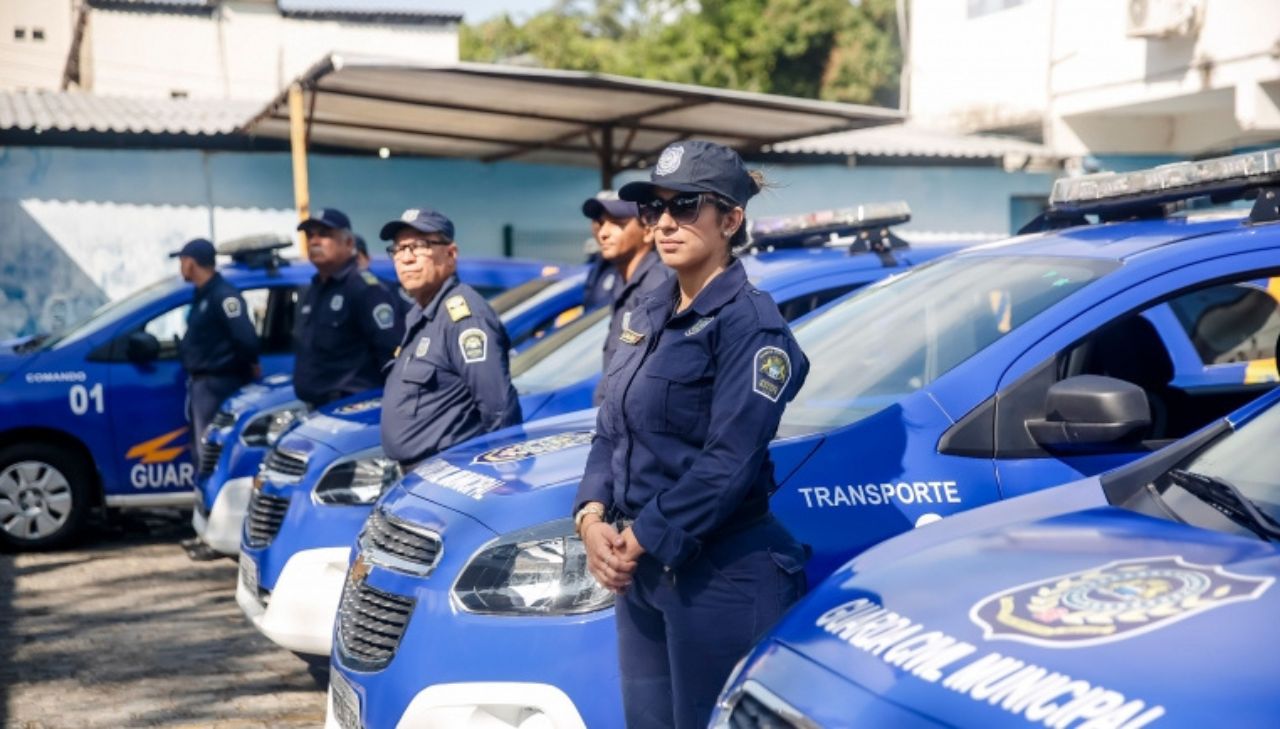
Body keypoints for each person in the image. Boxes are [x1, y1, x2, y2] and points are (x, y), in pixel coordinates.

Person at [572, 141, 810, 729]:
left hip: (720, 575)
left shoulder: (752, 327)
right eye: (654, 209)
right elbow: (610, 429)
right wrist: (591, 517)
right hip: (643, 571)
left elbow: (728, 462)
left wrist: (641, 536)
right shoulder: (646, 311)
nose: (665, 223)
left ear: (731, 220)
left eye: (687, 206)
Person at [379, 207, 522, 469]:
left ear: (451, 254)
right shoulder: (421, 314)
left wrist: (506, 472)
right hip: (418, 476)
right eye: (398, 249)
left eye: (418, 246)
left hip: (448, 473)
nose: (405, 258)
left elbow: (497, 406)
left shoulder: (464, 316)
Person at [293, 208, 403, 408]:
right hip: (318, 409)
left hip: (352, 409)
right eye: (310, 235)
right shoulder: (315, 289)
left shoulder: (364, 288)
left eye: (325, 234)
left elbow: (392, 353)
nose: (314, 241)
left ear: (349, 243)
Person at [170, 238, 260, 463]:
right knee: (202, 451)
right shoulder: (204, 295)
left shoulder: (223, 296)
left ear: (191, 263)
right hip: (204, 387)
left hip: (218, 386)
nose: (181, 266)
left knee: (212, 453)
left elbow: (246, 339)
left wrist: (249, 365)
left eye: (182, 261)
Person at [581, 190, 672, 405]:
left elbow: (654, 373)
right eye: (601, 223)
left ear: (649, 231)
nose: (603, 233)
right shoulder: (623, 281)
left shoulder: (659, 285)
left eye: (617, 223)